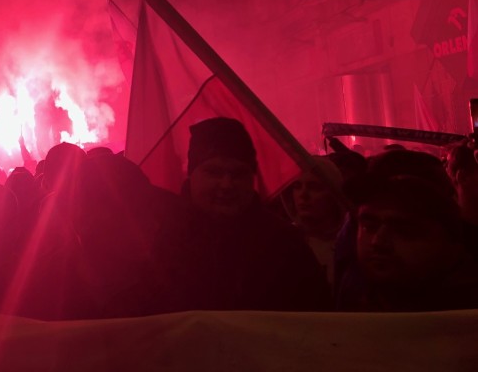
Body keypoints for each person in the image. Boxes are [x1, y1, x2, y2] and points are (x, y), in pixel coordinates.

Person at [167, 117, 330, 311]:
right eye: (214, 172)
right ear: (191, 174)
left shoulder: (283, 243)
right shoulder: (162, 238)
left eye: (238, 174)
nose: (227, 184)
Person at [341, 174, 478, 311]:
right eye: (369, 226)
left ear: (451, 248)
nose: (378, 242)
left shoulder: (467, 319)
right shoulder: (354, 301)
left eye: (404, 231)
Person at [282, 155, 345, 285]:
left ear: (334, 193)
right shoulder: (284, 241)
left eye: (314, 187)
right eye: (297, 186)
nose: (303, 194)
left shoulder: (350, 243)